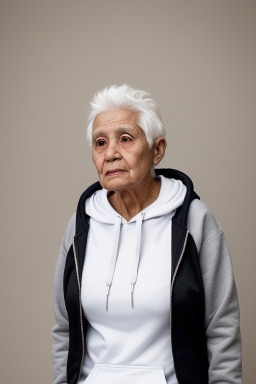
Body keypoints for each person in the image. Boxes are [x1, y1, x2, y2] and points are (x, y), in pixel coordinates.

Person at [52, 84, 242, 384]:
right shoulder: (81, 226)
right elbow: (65, 329)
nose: (111, 153)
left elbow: (222, 329)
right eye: (100, 143)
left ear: (157, 149)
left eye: (125, 139)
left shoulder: (194, 220)